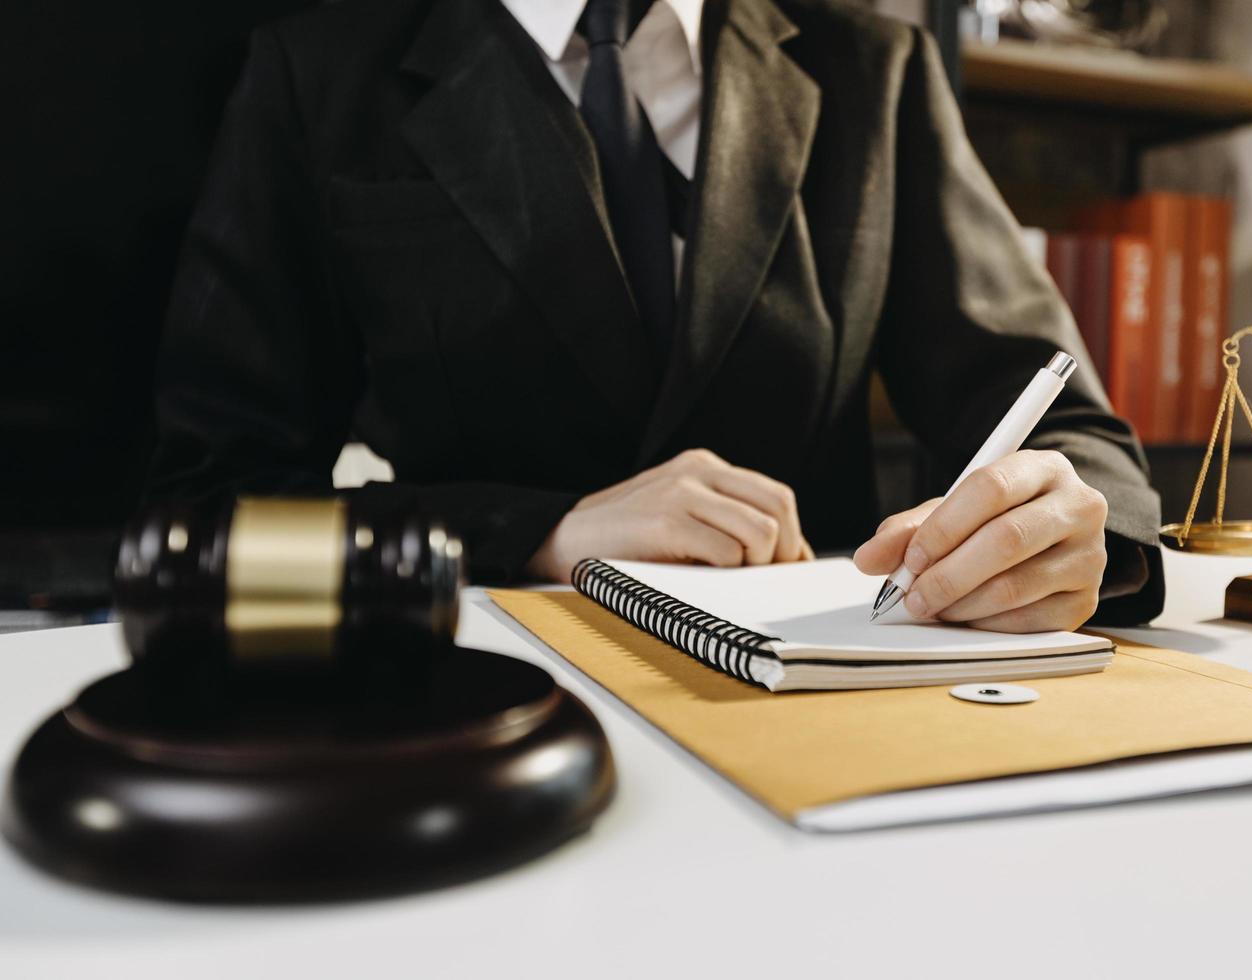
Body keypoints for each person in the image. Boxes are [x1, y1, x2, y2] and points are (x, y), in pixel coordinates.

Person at [149, 0, 1164, 630]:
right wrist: (540, 531)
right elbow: (212, 506)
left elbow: (1067, 428)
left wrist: (1076, 534)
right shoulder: (316, 75)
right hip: (475, 697)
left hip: (819, 697)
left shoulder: (872, 72)